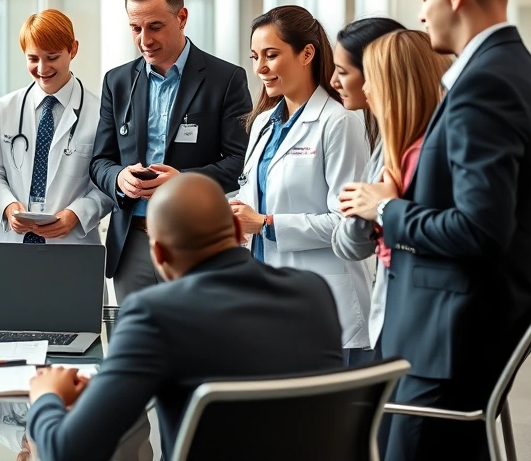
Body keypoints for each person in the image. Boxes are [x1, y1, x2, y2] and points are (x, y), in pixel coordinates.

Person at [339, 0, 531, 461]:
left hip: (451, 337)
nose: (422, 14)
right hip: (459, 328)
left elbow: (480, 229)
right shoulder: (520, 73)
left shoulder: (489, 83)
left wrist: (385, 208)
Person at [26, 173, 343, 461]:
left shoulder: (154, 315)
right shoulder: (313, 292)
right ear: (237, 230)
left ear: (159, 255)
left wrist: (46, 397)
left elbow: (66, 451)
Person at [90, 0, 252, 302]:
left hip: (197, 241)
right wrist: (119, 177)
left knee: (196, 345)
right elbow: (99, 161)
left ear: (182, 18)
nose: (144, 39)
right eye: (135, 28)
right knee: (138, 345)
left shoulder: (226, 79)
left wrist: (183, 183)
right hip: (132, 242)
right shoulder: (117, 82)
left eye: (155, 26)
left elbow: (240, 161)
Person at [230, 5, 372, 365]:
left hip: (325, 302)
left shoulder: (340, 123)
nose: (260, 68)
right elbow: (252, 196)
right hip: (267, 294)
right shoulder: (263, 123)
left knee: (326, 418)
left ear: (307, 53)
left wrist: (264, 224)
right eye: (255, 57)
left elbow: (347, 224)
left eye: (271, 55)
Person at [0, 9, 111, 245]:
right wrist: (7, 206)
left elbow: (108, 182)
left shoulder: (99, 113)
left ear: (73, 49)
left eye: (52, 57)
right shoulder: (5, 108)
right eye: (33, 58)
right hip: (10, 241)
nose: (42, 68)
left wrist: (77, 214)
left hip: (71, 244)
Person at [329, 16, 405, 354]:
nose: (333, 81)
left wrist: (381, 208)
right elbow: (351, 238)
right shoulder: (382, 139)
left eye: (343, 72)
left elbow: (353, 237)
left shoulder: (400, 147)